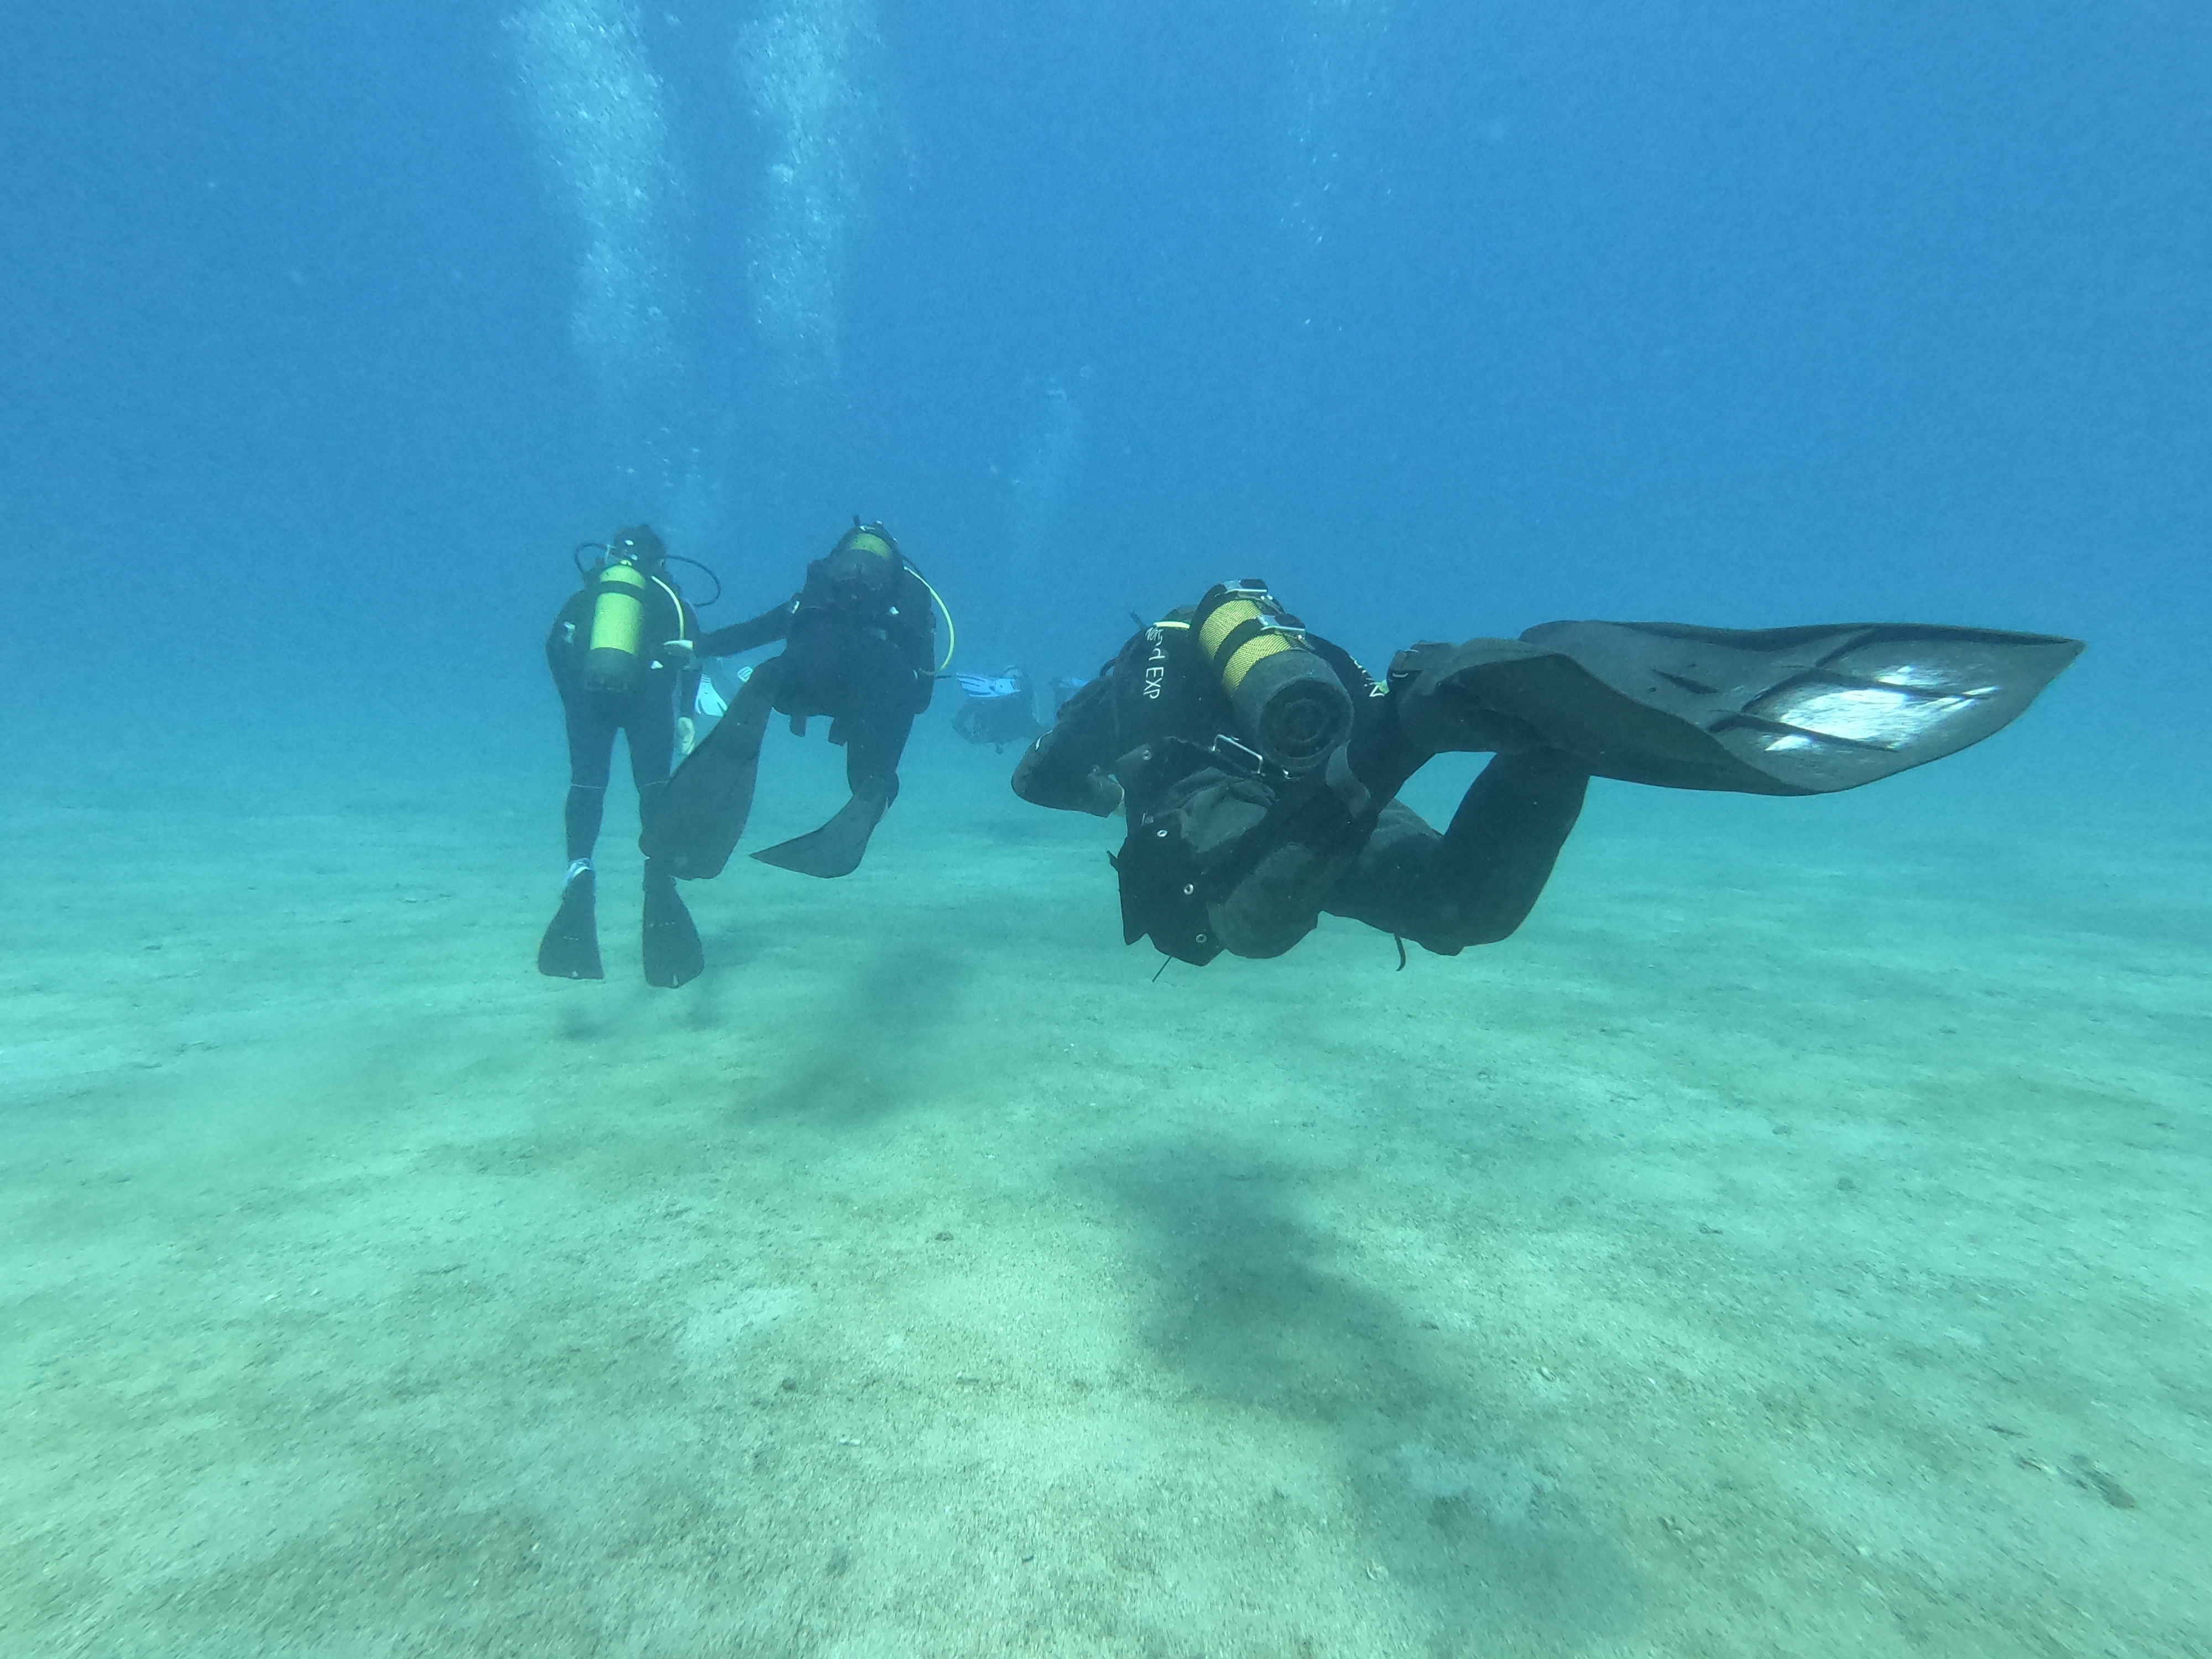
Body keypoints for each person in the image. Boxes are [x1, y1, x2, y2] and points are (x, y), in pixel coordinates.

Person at [1013, 578, 2083, 966]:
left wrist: (1088, 776)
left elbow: (1044, 780)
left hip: (1212, 793)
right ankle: (1541, 739)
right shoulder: (1284, 650)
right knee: (1456, 908)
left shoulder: (1131, 675)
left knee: (1246, 926)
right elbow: (1320, 709)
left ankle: (1413, 731)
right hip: (1330, 771)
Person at [642, 520, 940, 881]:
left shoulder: (820, 592)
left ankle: (738, 732)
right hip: (883, 684)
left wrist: (701, 646)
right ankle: (877, 791)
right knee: (867, 774)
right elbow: (921, 698)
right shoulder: (912, 603)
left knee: (770, 675)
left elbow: (766, 627)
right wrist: (891, 719)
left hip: (814, 671)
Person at [539, 524, 714, 987]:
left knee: (587, 785)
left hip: (587, 700)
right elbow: (691, 654)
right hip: (648, 704)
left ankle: (579, 869)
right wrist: (685, 712)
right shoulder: (668, 598)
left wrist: (573, 699)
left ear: (613, 553)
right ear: (661, 563)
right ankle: (658, 876)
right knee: (654, 788)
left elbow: (554, 645)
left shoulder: (593, 594)